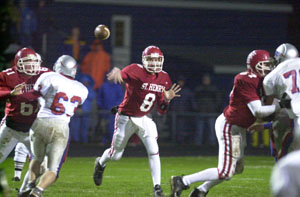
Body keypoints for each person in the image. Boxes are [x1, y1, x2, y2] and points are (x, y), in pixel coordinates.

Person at [170, 49, 287, 197]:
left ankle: (201, 190)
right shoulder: (246, 79)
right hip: (229, 127)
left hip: (239, 130)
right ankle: (183, 181)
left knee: (235, 169)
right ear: (254, 65)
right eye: (264, 65)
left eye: (269, 65)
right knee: (225, 171)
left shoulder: (261, 80)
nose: (268, 68)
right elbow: (258, 111)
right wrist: (280, 105)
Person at [92, 45, 181, 197]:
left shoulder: (164, 78)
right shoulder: (135, 70)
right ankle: (100, 163)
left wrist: (167, 99)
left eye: (157, 60)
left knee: (154, 150)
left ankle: (157, 188)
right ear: (144, 60)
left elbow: (161, 109)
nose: (154, 63)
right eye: (151, 60)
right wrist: (118, 72)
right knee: (116, 155)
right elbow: (123, 75)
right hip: (126, 117)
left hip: (145, 118)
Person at [17, 55, 88, 197]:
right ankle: (38, 190)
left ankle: (29, 185)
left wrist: (16, 95)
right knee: (52, 169)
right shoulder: (82, 89)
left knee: (36, 159)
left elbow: (33, 95)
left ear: (59, 66)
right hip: (62, 126)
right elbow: (77, 103)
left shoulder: (49, 76)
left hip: (42, 121)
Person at [248, 43, 299, 162]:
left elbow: (269, 112)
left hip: (294, 122)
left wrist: (264, 123)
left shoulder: (272, 77)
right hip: (292, 119)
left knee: (283, 157)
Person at [0, 47, 49, 164]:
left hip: (34, 129)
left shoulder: (45, 74)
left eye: (34, 62)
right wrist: (10, 93)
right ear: (18, 63)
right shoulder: (8, 75)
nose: (32, 65)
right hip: (11, 126)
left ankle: (30, 183)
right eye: (28, 61)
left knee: (43, 165)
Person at [193, 73, 220, 146]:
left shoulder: (213, 89)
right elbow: (194, 100)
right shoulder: (198, 89)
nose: (206, 81)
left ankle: (212, 145)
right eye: (205, 80)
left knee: (211, 130)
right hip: (200, 112)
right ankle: (197, 145)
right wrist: (197, 108)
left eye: (207, 80)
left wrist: (214, 108)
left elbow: (218, 100)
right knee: (199, 130)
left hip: (210, 112)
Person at [70, 73, 96, 143]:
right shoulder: (77, 89)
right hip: (78, 110)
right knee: (76, 126)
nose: (85, 83)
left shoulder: (90, 90)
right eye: (83, 82)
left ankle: (84, 139)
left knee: (85, 126)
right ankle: (75, 139)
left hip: (86, 111)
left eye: (86, 82)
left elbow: (92, 97)